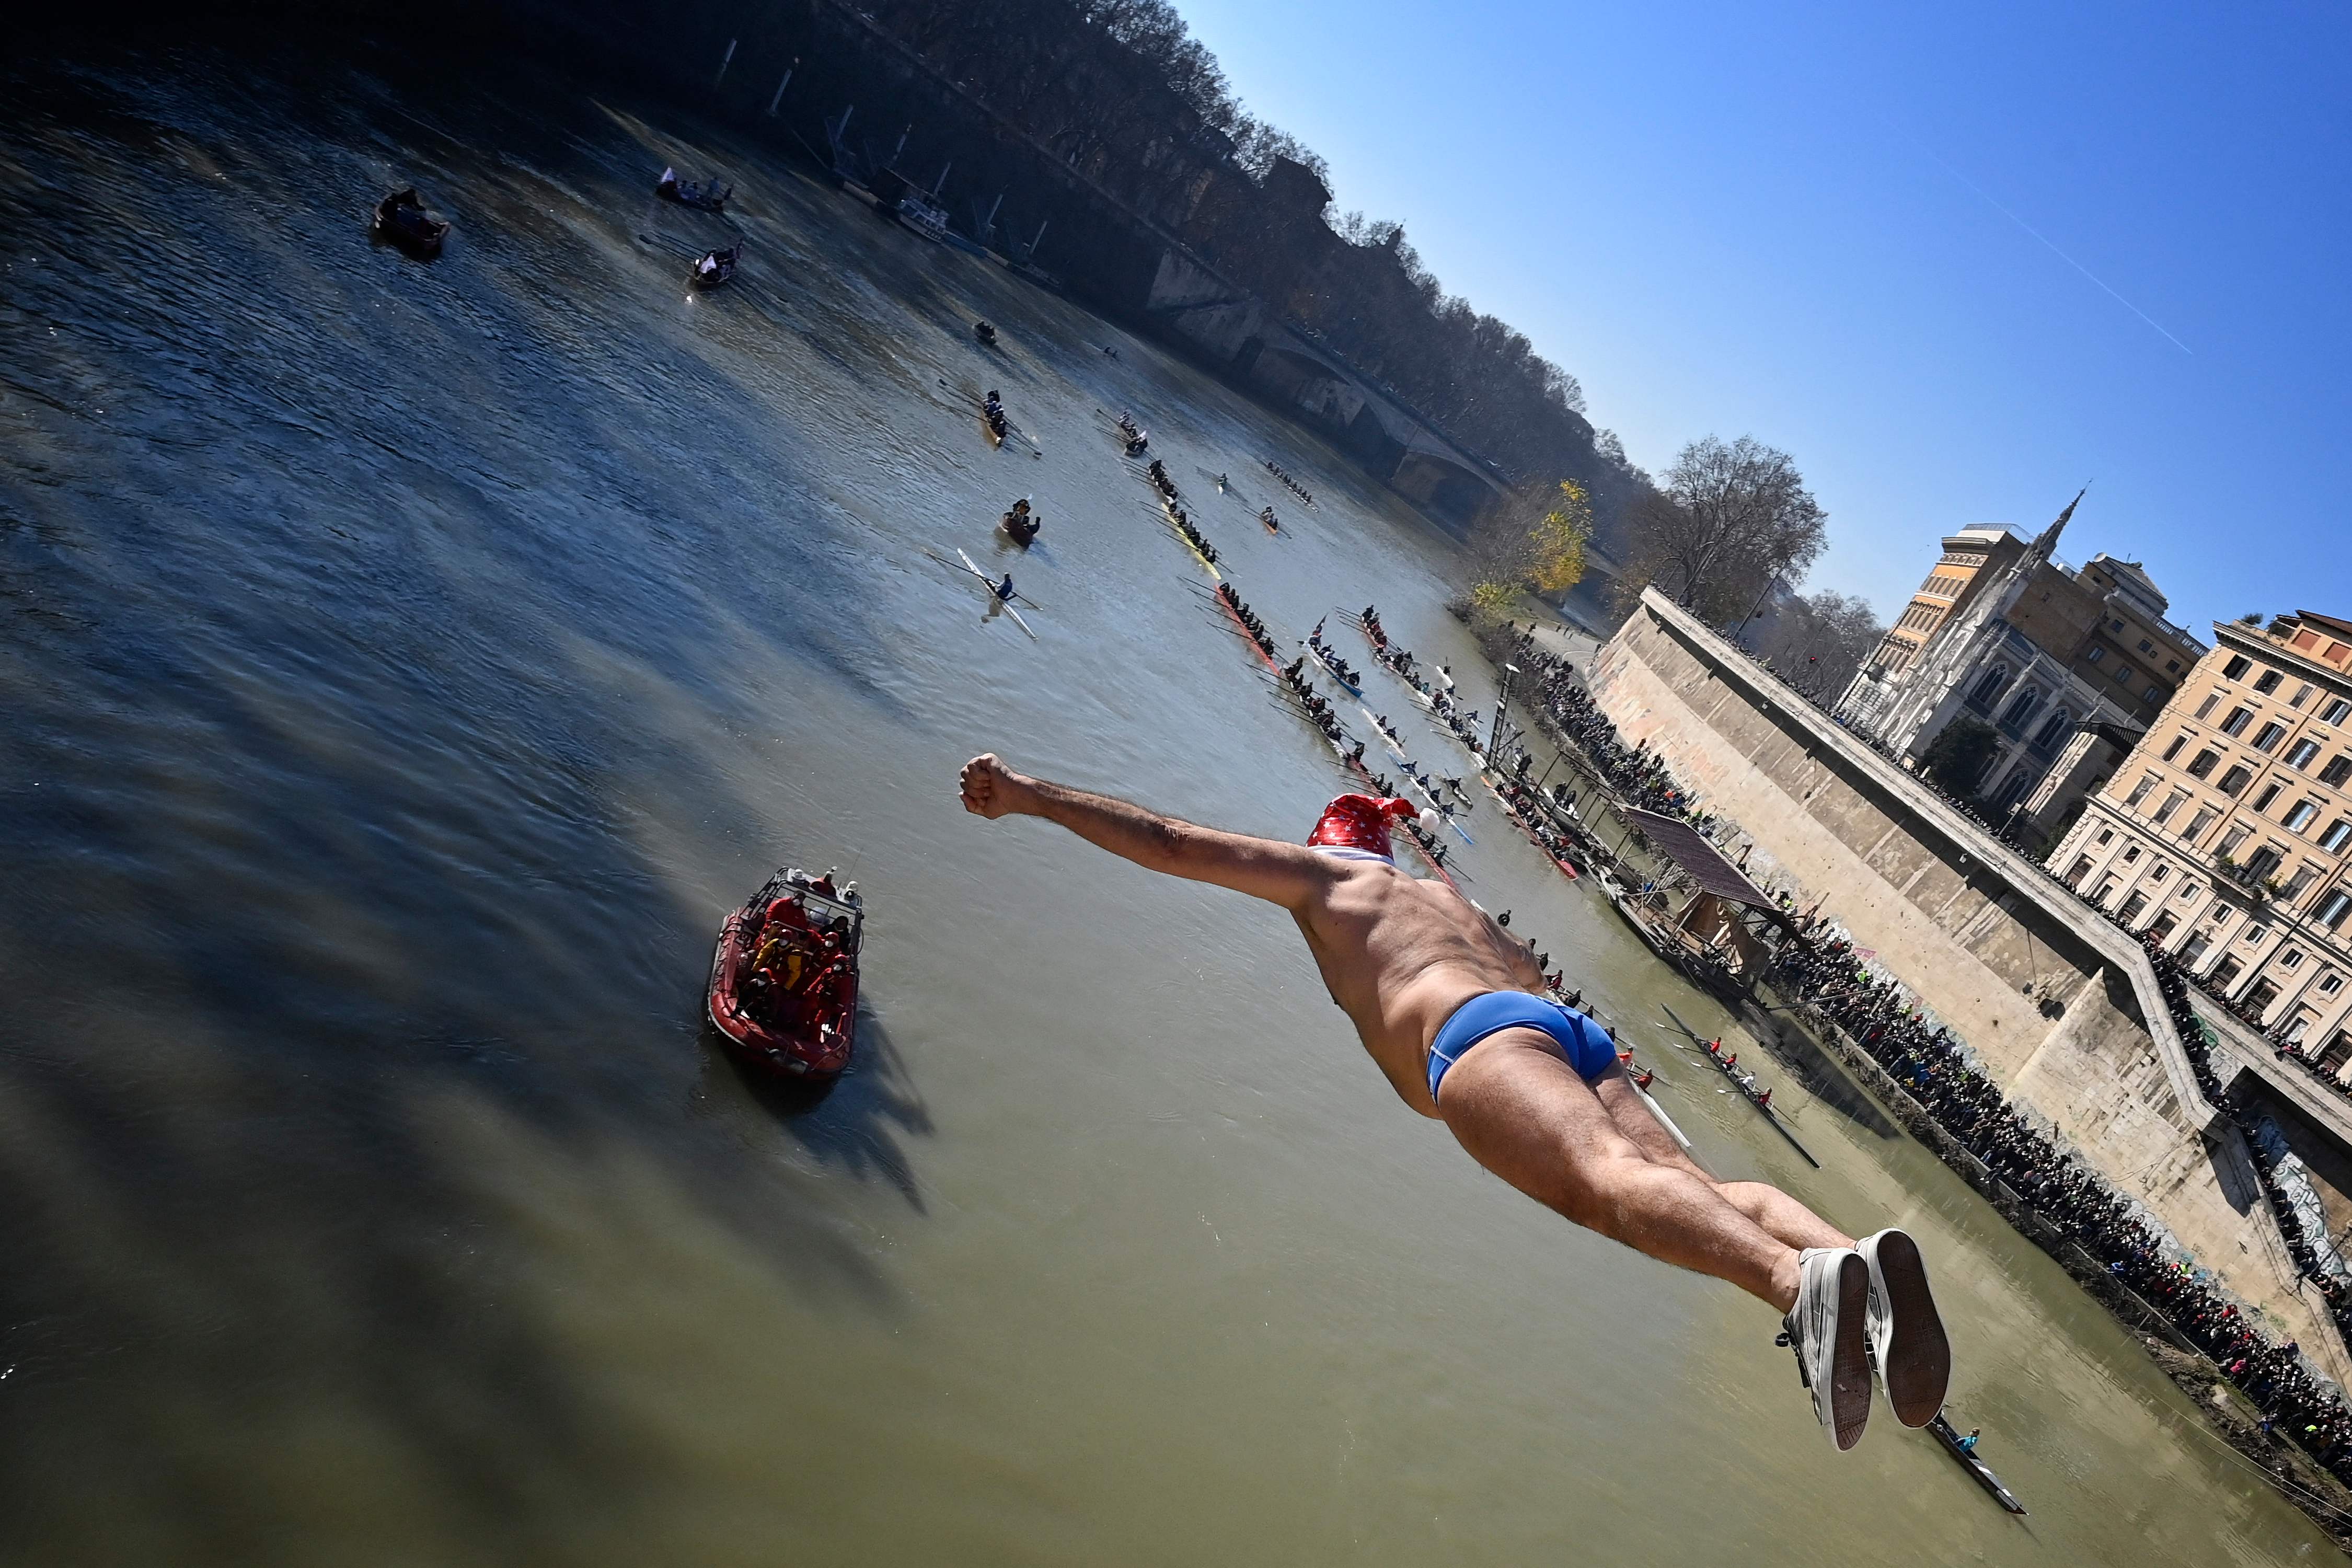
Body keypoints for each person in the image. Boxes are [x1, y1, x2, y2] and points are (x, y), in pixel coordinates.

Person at [958, 756, 1951, 1450]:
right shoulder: (1457, 904)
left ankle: (1800, 1291)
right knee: (1699, 1188)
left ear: (1329, 845)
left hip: (1474, 1038)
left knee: (1603, 1189)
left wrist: (1030, 797)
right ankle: (1845, 1262)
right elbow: (1527, 977)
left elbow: (1171, 843)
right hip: (1568, 1029)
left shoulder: (1328, 882)